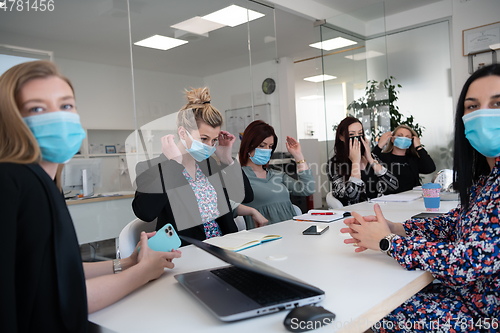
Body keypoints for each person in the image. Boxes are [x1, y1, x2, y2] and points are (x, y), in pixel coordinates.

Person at [0, 60, 182, 333]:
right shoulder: (17, 181)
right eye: (37, 108)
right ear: (11, 119)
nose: (58, 117)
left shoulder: (45, 183)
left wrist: (127, 263)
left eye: (66, 105)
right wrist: (141, 273)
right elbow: (63, 302)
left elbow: (58, 272)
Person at [342, 64, 500, 332]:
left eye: (496, 103)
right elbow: (352, 196)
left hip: (482, 311)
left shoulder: (406, 159)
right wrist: (396, 228)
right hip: (468, 295)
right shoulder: (486, 179)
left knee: (374, 307)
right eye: (473, 106)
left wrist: (389, 239)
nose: (484, 113)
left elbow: (472, 259)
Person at [132, 88, 267, 242]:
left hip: (224, 247)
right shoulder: (152, 167)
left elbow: (246, 196)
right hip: (187, 252)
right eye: (204, 138)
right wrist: (174, 164)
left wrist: (227, 160)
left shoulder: (208, 164)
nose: (210, 145)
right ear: (182, 133)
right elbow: (146, 213)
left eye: (214, 140)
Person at [238, 120, 315, 228]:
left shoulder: (277, 175)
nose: (267, 150)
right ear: (248, 145)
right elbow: (228, 207)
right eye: (262, 145)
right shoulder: (240, 177)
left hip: (291, 231)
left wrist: (298, 156)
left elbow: (308, 188)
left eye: (270, 146)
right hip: (264, 236)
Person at [328, 117, 398, 206]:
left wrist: (371, 160)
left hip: (379, 208)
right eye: (352, 135)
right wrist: (355, 162)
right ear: (341, 137)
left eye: (360, 133)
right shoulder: (334, 163)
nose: (357, 138)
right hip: (355, 213)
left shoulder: (371, 157)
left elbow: (394, 185)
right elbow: (351, 198)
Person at [373, 125, 436, 194]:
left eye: (407, 137)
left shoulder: (413, 159)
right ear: (392, 139)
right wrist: (379, 146)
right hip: (389, 200)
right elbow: (367, 165)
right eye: (400, 136)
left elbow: (430, 168)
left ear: (411, 141)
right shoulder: (382, 158)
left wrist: (419, 147)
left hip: (412, 199)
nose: (403, 139)